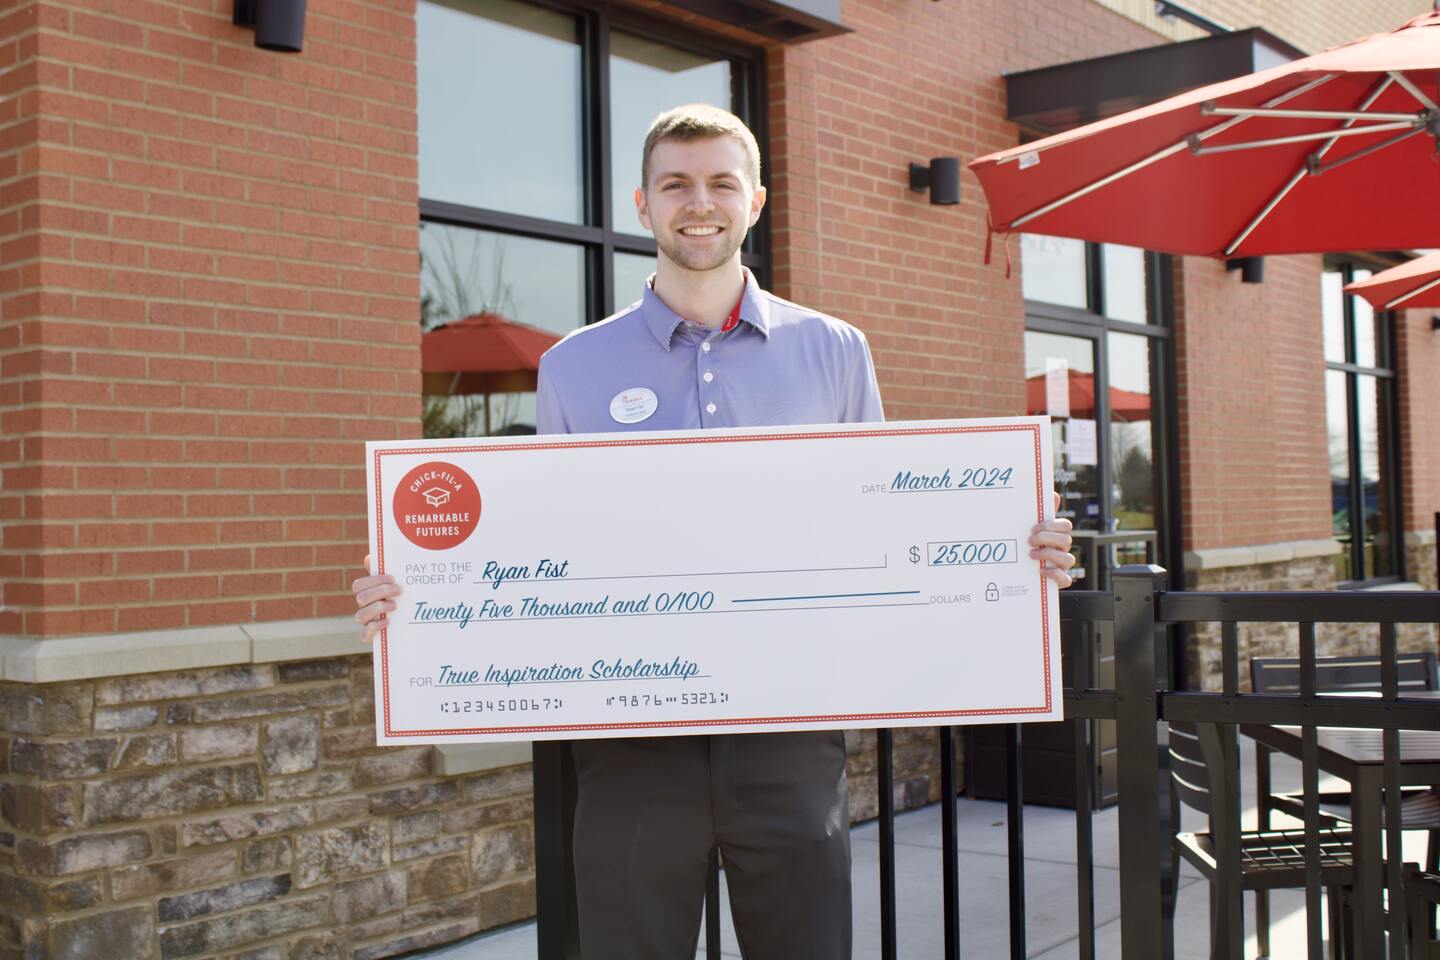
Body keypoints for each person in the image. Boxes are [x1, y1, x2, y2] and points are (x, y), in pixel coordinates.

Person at [352, 104, 1076, 959]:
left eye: (721, 182)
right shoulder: (573, 366)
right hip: (631, 745)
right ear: (643, 203)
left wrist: (1009, 550)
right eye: (676, 184)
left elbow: (887, 524)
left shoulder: (835, 350)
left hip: (790, 734)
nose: (700, 202)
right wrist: (419, 591)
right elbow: (539, 545)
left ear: (756, 199)